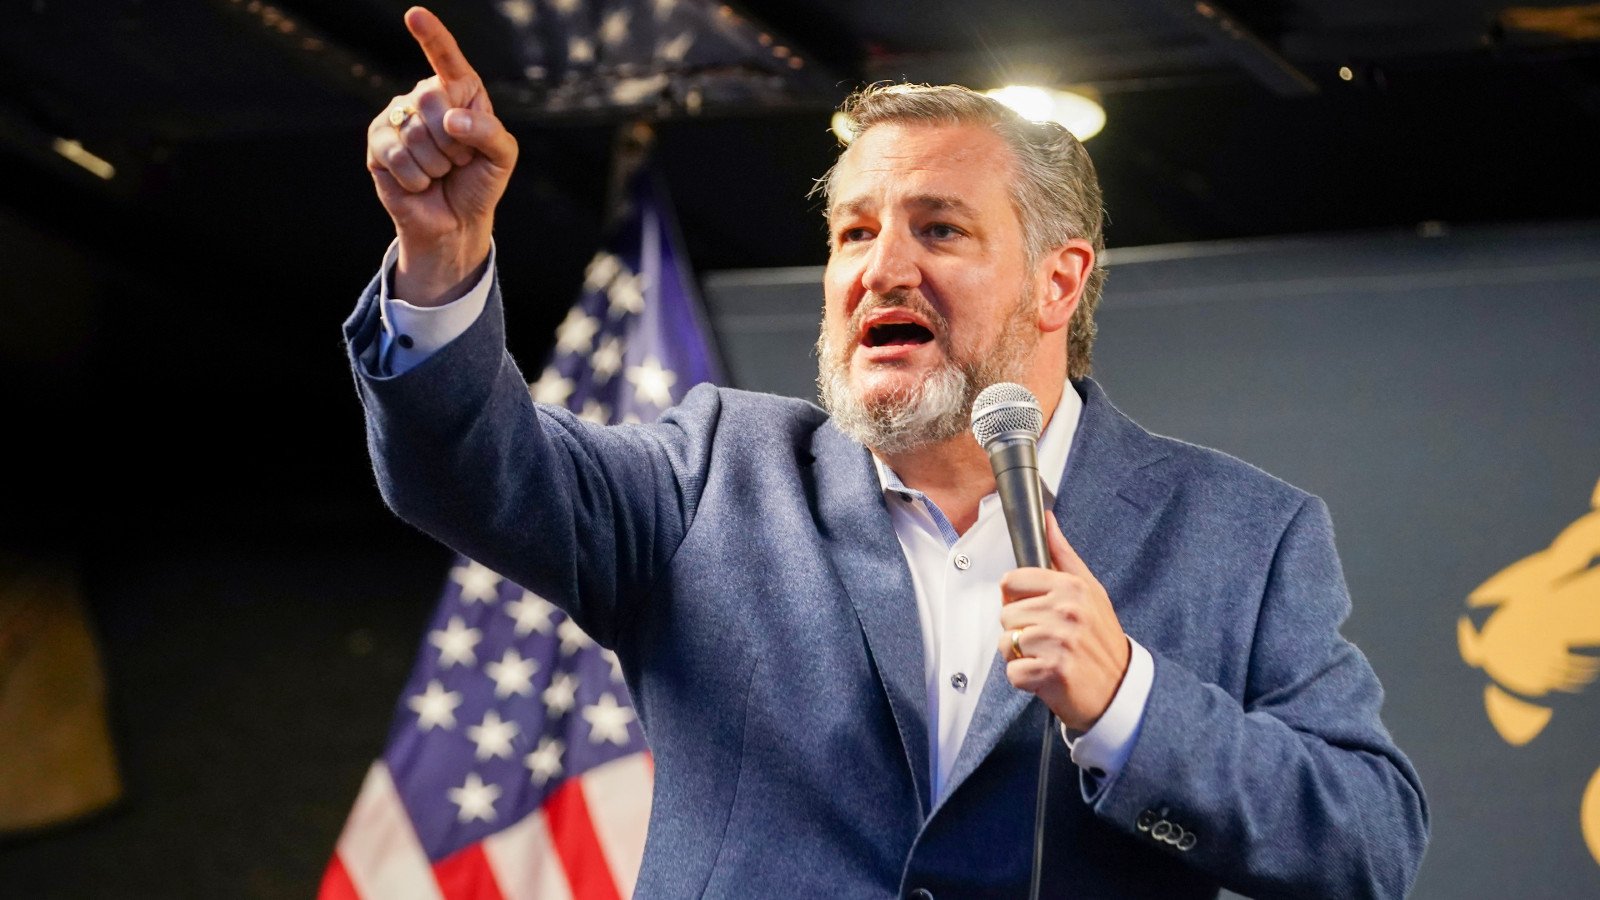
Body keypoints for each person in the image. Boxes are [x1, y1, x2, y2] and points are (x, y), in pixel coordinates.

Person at [345, 7, 1428, 897]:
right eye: (855, 232)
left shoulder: (1241, 531)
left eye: (938, 228)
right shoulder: (709, 473)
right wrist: (438, 263)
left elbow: (1366, 842)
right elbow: (468, 469)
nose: (881, 267)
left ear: (1057, 280)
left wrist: (1125, 702)